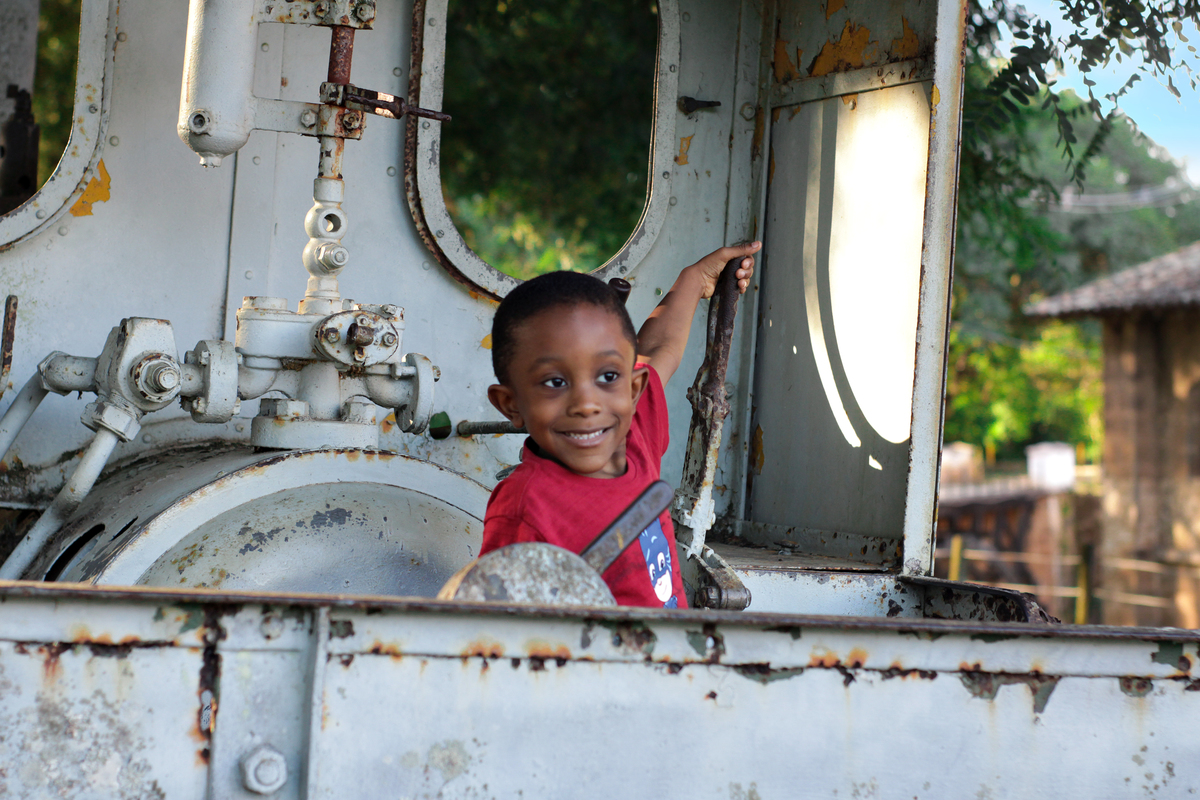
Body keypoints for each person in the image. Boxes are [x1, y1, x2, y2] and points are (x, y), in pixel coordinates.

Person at [479, 241, 760, 608]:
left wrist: (694, 280)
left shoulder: (633, 435)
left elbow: (658, 350)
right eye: (555, 382)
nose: (587, 404)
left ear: (633, 388)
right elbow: (500, 625)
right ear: (510, 404)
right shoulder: (525, 508)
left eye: (608, 375)